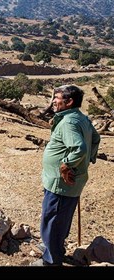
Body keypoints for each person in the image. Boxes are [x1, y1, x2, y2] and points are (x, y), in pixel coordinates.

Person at [31, 85, 101, 266]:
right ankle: (52, 247)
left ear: (69, 102)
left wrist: (67, 166)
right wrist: (86, 163)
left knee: (53, 221)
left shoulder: (69, 122)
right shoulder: (80, 117)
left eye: (57, 98)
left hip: (61, 182)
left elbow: (79, 148)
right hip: (65, 181)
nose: (54, 101)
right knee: (59, 220)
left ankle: (51, 261)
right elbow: (95, 138)